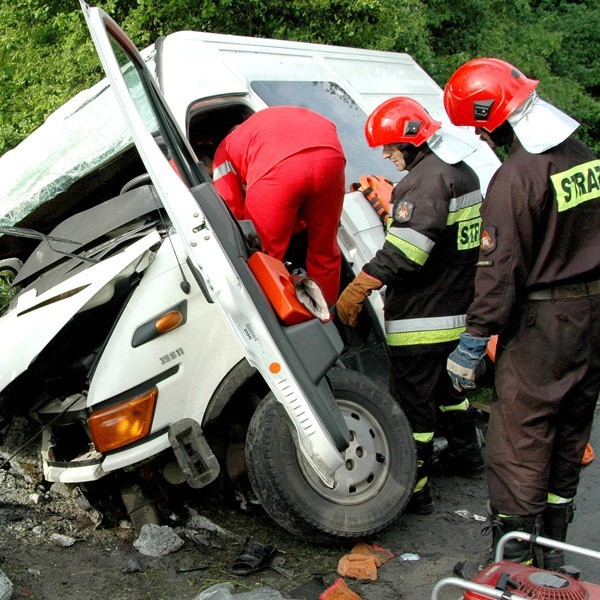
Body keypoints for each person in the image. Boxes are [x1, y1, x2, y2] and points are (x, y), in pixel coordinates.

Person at [443, 58, 600, 571]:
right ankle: (553, 553)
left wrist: (473, 341)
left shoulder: (516, 178)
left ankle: (512, 564)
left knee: (519, 437)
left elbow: (500, 269)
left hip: (544, 325)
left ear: (491, 121)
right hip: (592, 317)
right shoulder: (583, 156)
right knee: (571, 428)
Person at [335, 96, 485, 514]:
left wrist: (361, 283)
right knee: (448, 391)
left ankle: (414, 492)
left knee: (411, 406)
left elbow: (407, 253)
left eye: (390, 147)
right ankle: (467, 455)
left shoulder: (423, 183)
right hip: (458, 312)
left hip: (422, 317)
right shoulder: (462, 172)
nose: (386, 156)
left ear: (412, 141)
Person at [211, 106, 346, 305]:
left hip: (279, 167)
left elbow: (233, 209)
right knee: (325, 250)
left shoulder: (225, 150)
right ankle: (328, 319)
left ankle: (284, 321)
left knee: (264, 257)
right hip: (331, 156)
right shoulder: (269, 120)